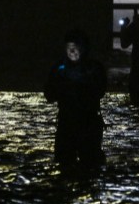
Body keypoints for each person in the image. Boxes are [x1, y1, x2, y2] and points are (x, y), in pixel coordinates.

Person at [44, 29, 107, 168]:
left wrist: (80, 85)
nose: (73, 52)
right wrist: (63, 86)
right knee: (64, 163)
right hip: (67, 123)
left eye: (76, 47)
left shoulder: (94, 68)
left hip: (88, 122)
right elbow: (49, 95)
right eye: (69, 48)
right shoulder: (59, 69)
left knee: (91, 164)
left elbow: (100, 91)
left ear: (84, 48)